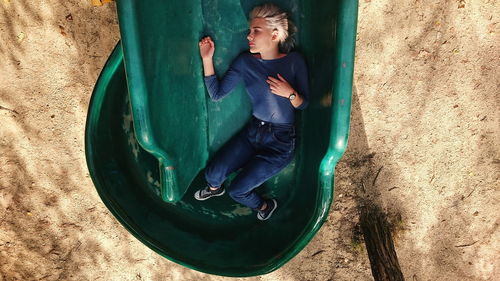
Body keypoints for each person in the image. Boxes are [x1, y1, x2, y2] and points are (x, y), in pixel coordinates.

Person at [195, 3, 310, 221]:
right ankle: (213, 189)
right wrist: (207, 59)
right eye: (250, 31)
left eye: (256, 31)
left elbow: (303, 104)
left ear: (274, 35)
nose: (249, 36)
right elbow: (217, 93)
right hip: (253, 132)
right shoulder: (245, 62)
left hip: (280, 143)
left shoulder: (294, 62)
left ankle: (265, 206)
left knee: (237, 191)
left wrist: (290, 93)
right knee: (212, 175)